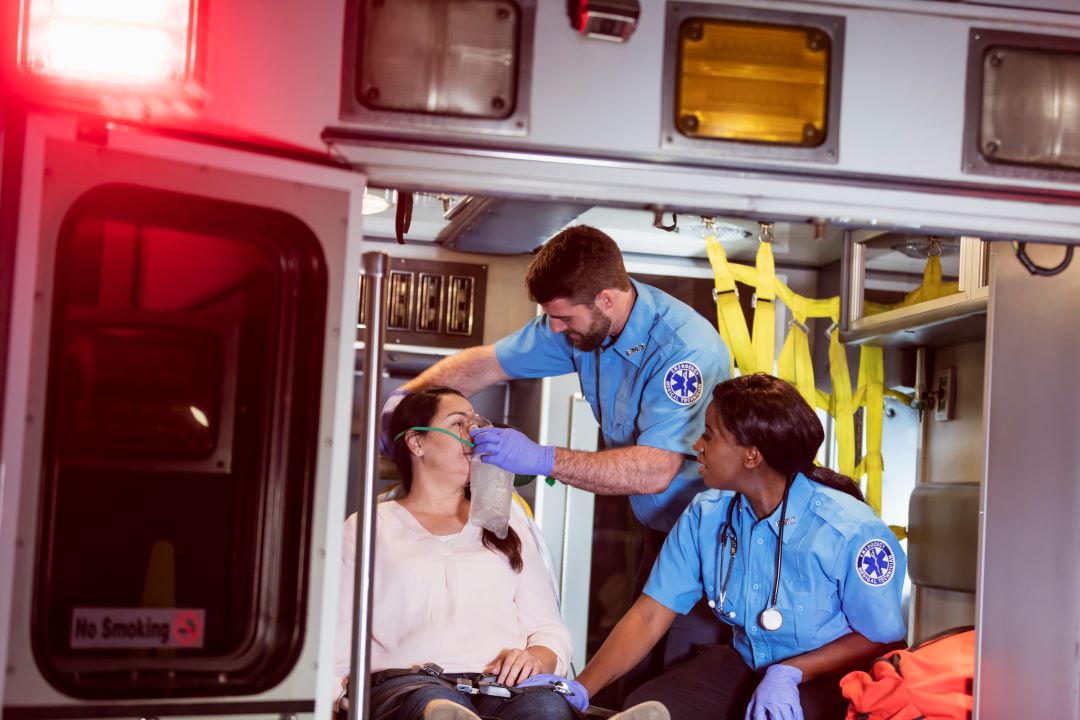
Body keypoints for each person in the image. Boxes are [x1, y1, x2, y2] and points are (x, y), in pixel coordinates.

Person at [386, 225, 732, 670]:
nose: (554, 328)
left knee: (681, 674)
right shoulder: (577, 324)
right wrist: (401, 404)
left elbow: (654, 472)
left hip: (714, 541)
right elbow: (485, 364)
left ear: (606, 299)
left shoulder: (685, 353)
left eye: (564, 318)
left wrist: (540, 458)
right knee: (636, 672)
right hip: (658, 531)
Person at [562, 374, 908, 720]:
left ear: (752, 455)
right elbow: (650, 615)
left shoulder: (849, 530)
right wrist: (580, 688)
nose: (697, 444)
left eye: (709, 435)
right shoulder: (706, 514)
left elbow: (882, 640)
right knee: (652, 705)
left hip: (832, 676)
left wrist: (791, 671)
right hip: (746, 662)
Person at [337, 387, 667, 720]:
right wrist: (336, 700)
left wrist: (537, 657)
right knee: (433, 708)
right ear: (416, 442)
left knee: (546, 709)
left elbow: (549, 630)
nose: (476, 434)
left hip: (503, 688)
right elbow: (337, 638)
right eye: (459, 423)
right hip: (410, 685)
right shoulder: (368, 527)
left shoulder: (506, 520)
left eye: (477, 422)